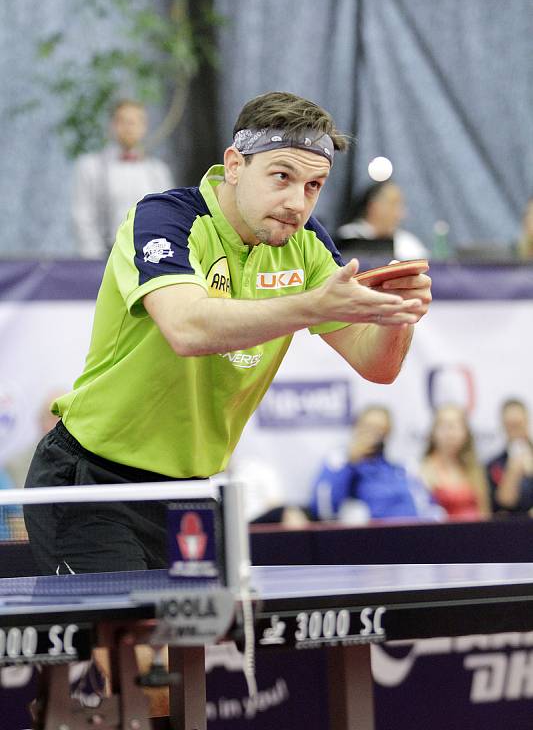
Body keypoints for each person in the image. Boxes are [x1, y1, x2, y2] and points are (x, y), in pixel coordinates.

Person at [24, 90, 432, 576]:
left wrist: (398, 313)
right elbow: (186, 327)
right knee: (125, 641)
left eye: (313, 186)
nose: (295, 202)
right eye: (281, 176)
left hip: (192, 490)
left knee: (196, 643)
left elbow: (377, 366)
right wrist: (311, 305)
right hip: (96, 480)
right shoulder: (164, 218)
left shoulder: (305, 244)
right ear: (235, 165)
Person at [72, 99, 174, 258]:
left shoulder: (158, 171)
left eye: (134, 122)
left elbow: (167, 217)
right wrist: (94, 260)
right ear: (112, 126)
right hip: (105, 257)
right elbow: (83, 217)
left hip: (148, 259)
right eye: (123, 121)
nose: (128, 128)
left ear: (144, 127)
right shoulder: (91, 167)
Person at [310, 405, 442, 522]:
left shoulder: (401, 467)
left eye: (381, 429)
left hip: (416, 533)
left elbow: (429, 505)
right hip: (373, 538)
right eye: (368, 427)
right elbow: (324, 509)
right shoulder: (340, 461)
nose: (374, 435)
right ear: (357, 427)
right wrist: (349, 461)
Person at [421, 404, 490, 520]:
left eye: (455, 426)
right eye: (444, 426)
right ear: (433, 433)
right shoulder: (424, 470)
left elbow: (484, 512)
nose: (450, 432)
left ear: (466, 433)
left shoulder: (474, 469)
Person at [336, 180, 429, 261]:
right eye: (393, 204)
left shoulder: (407, 243)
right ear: (373, 206)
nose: (400, 214)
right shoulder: (348, 238)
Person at [486, 398, 533, 515]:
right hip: (512, 526)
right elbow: (505, 502)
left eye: (518, 424)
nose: (515, 430)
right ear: (503, 425)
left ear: (526, 421)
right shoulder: (494, 465)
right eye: (510, 425)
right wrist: (514, 468)